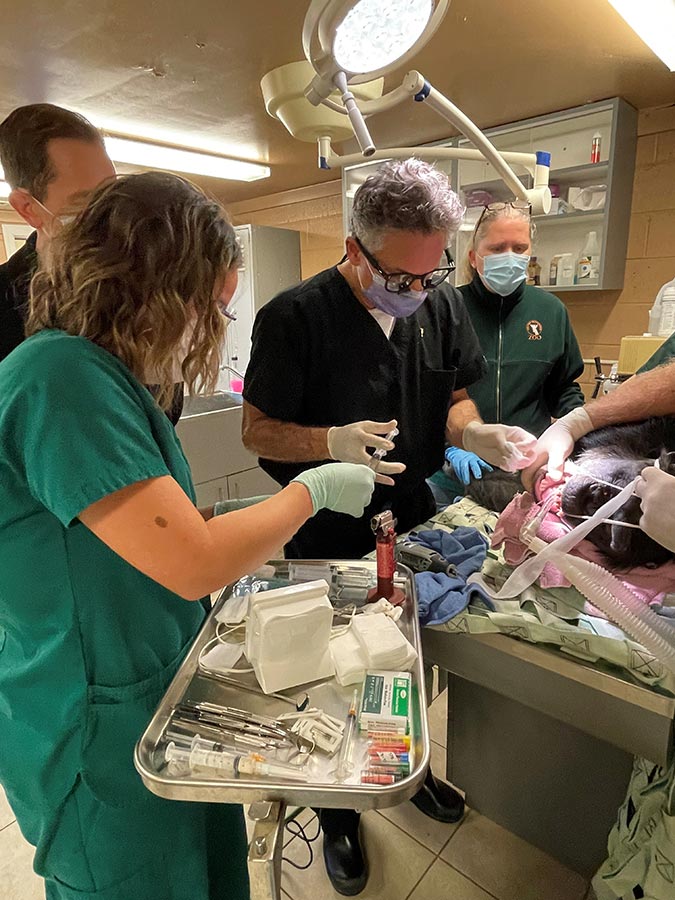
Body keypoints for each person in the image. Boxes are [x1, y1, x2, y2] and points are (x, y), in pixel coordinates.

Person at [0, 171, 379, 900]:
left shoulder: (105, 379)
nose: (208, 330)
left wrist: (213, 525)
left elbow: (140, 534)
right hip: (91, 727)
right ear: (157, 290)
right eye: (209, 308)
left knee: (203, 877)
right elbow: (192, 565)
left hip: (147, 699)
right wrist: (315, 487)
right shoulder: (59, 376)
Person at [241, 158, 538, 895]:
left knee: (403, 659)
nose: (415, 293)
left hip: (410, 517)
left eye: (429, 275)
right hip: (328, 525)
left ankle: (410, 770)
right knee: (337, 672)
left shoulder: (434, 304)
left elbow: (453, 394)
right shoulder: (293, 317)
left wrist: (473, 435)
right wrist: (326, 444)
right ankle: (338, 811)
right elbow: (256, 430)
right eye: (399, 278)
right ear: (354, 250)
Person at [428, 200, 584, 504]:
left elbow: (565, 389)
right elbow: (427, 394)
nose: (509, 257)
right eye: (498, 248)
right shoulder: (446, 309)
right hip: (453, 473)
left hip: (524, 472)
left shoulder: (550, 312)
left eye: (519, 248)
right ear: (474, 257)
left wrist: (575, 433)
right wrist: (452, 445)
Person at [0, 104, 115, 361]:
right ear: (27, 208)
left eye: (111, 195)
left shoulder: (134, 287)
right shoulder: (3, 306)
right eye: (84, 202)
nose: (106, 214)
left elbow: (162, 398)